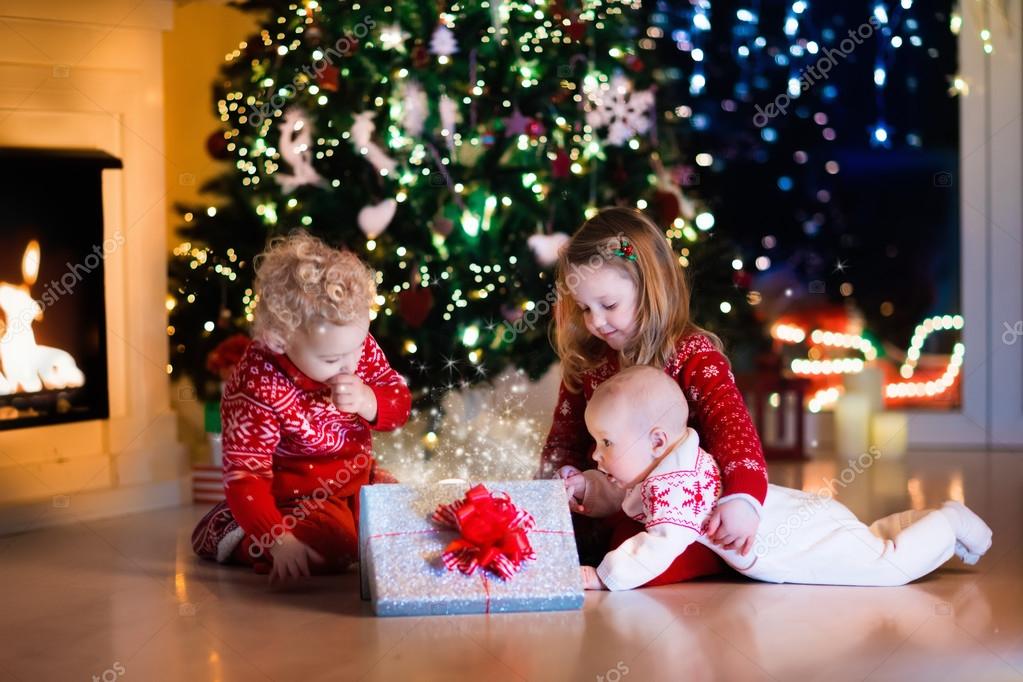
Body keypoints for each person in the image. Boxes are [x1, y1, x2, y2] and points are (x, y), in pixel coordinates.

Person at [563, 366, 993, 591]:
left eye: (605, 442)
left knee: (888, 567)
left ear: (657, 440)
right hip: (800, 514)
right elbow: (620, 491)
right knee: (870, 541)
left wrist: (605, 576)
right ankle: (913, 523)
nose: (597, 453)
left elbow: (661, 543)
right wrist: (587, 487)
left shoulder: (675, 486)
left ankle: (949, 522)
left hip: (793, 536)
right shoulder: (662, 463)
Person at [541, 206, 768, 582]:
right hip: (606, 506)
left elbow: (732, 428)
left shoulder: (693, 356)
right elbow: (563, 438)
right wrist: (559, 482)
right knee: (557, 547)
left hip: (681, 517)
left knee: (641, 550)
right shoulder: (589, 364)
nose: (596, 321)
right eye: (584, 308)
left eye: (609, 305)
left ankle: (618, 567)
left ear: (650, 287)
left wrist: (743, 498)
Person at [191, 231, 410, 585]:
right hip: (294, 498)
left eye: (357, 348)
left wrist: (370, 400)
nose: (349, 366)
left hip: (357, 480)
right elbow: (246, 475)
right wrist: (278, 540)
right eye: (331, 359)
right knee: (335, 543)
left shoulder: (355, 347)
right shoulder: (257, 385)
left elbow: (398, 402)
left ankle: (343, 530)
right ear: (280, 339)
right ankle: (233, 532)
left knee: (401, 521)